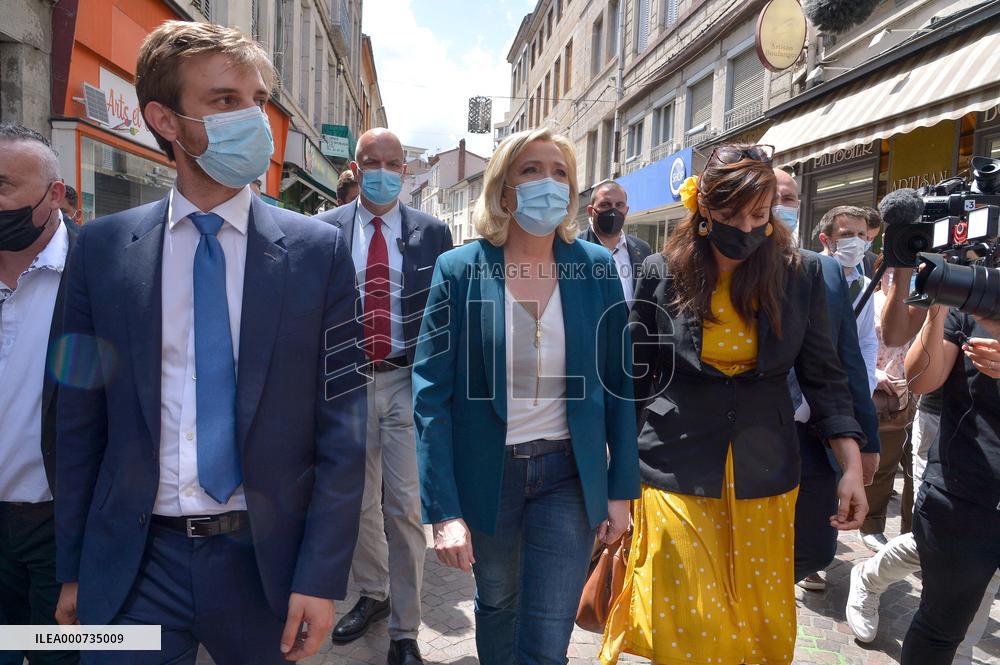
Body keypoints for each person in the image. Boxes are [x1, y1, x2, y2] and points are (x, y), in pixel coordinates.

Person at [53, 21, 367, 665]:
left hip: (264, 565)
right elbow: (73, 424)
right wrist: (75, 566)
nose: (252, 117)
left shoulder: (317, 253)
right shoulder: (104, 251)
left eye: (255, 100)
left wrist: (321, 574)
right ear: (165, 121)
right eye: (225, 101)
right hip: (135, 565)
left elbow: (343, 428)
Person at [601, 144, 868, 665]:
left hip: (764, 474)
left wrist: (852, 466)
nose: (745, 227)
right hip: (673, 466)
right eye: (729, 215)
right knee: (683, 620)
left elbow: (825, 379)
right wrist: (617, 480)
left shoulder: (800, 275)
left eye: (759, 215)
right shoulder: (663, 270)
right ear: (703, 209)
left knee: (753, 624)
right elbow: (634, 380)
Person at [412, 127, 639, 665]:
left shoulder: (594, 266)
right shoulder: (460, 269)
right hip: (490, 476)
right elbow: (430, 395)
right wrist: (443, 511)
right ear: (504, 190)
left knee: (547, 626)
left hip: (567, 473)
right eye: (531, 170)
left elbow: (618, 384)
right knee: (497, 604)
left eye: (560, 173)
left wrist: (620, 489)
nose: (548, 183)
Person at [317, 128, 452, 664]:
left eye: (391, 162)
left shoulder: (432, 232)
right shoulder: (323, 231)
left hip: (405, 380)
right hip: (346, 382)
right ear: (355, 166)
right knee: (354, 504)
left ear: (405, 169)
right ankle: (372, 594)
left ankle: (406, 629)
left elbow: (446, 315)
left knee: (402, 506)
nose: (381, 169)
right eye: (370, 161)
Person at [770, 169, 880, 593]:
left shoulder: (824, 274)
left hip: (815, 434)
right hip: (752, 433)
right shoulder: (732, 268)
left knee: (816, 548)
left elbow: (849, 364)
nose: (784, 203)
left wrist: (865, 442)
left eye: (792, 197)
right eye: (775, 195)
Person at [0, 122, 78, 665]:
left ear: (54, 195)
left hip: (60, 531)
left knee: (61, 655)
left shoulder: (98, 271)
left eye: (3, 186)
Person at [897, 301, 1000, 664]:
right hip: (965, 494)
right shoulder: (977, 298)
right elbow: (920, 379)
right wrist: (936, 310)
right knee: (941, 628)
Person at [818, 205, 878, 394]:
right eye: (847, 234)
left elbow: (866, 340)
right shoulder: (805, 274)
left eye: (862, 235)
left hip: (843, 391)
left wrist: (866, 385)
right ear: (826, 240)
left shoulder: (865, 286)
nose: (856, 241)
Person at [580, 180, 652, 307]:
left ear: (626, 210)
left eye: (619, 205)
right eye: (605, 205)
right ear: (591, 211)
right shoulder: (575, 248)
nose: (613, 211)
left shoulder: (643, 249)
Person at [861, 206, 881, 278]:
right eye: (866, 237)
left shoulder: (874, 261)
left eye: (872, 238)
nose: (868, 242)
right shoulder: (833, 260)